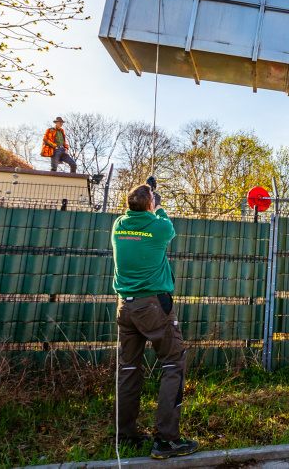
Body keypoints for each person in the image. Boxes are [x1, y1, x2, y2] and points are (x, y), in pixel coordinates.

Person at [112, 183, 199, 459]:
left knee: (128, 369)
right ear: (150, 205)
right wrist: (157, 204)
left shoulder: (118, 225)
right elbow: (167, 227)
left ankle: (124, 436)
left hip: (125, 306)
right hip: (152, 306)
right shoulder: (158, 226)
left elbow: (138, 215)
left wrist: (148, 200)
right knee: (174, 362)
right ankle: (167, 440)